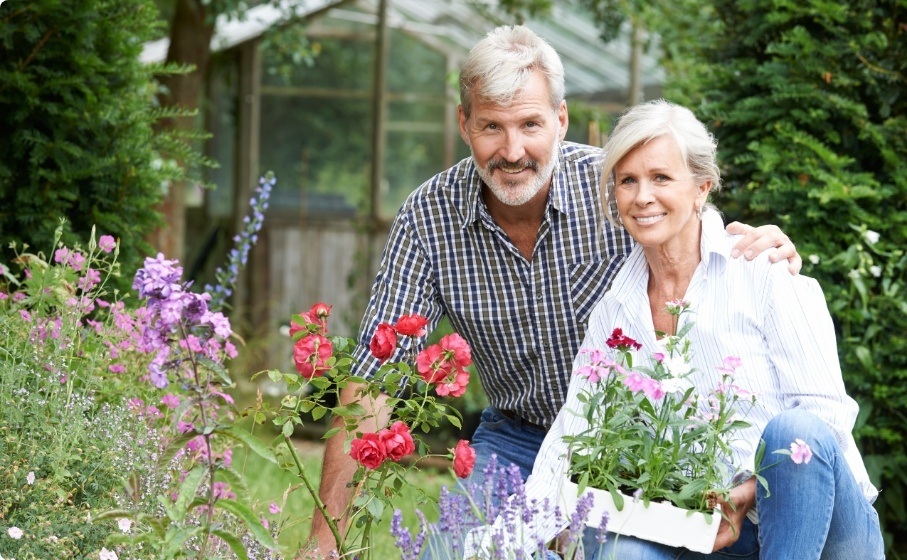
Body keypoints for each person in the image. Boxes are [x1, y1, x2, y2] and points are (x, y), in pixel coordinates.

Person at [307, 25, 801, 556]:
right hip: (515, 440)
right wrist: (323, 542)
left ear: (561, 120)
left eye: (531, 124)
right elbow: (375, 380)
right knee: (448, 552)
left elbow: (694, 236)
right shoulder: (429, 217)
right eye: (492, 126)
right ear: (463, 124)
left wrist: (761, 247)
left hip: (628, 445)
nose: (513, 150)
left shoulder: (616, 187)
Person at [469, 99, 883, 559]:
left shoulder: (763, 271)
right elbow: (571, 435)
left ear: (701, 188)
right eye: (628, 181)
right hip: (717, 537)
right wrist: (494, 549)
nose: (642, 196)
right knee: (622, 552)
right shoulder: (614, 313)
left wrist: (749, 490)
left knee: (794, 430)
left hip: (825, 529)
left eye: (661, 178)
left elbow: (827, 421)